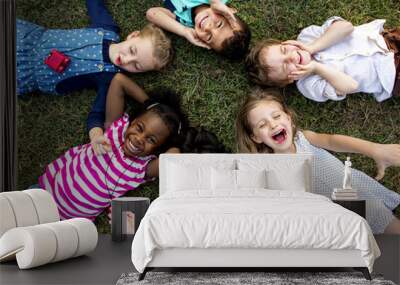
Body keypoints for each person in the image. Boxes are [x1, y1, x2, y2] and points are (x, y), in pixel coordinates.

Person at [235, 88, 400, 234]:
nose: (272, 124)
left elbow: (332, 141)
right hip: (337, 221)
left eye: (277, 116)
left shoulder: (302, 138)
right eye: (262, 125)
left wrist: (374, 149)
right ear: (255, 137)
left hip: (358, 195)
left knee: (389, 227)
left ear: (289, 118)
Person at [17, 0, 173, 133]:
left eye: (136, 66)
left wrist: (96, 133)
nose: (127, 60)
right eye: (132, 50)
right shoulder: (107, 29)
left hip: (26, 74)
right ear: (133, 36)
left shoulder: (109, 79)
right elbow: (95, 5)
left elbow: (97, 112)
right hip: (28, 38)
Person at [38, 84, 186, 221]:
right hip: (43, 193)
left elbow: (175, 156)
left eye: (151, 140)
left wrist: (176, 139)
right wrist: (149, 104)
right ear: (132, 121)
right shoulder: (115, 130)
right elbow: (119, 82)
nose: (139, 138)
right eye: (139, 127)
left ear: (157, 149)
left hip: (69, 224)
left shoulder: (143, 168)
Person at [246, 17, 400, 102]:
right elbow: (351, 86)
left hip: (386, 39)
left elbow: (346, 27)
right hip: (391, 75)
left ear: (286, 42)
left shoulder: (308, 36)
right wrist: (316, 68)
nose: (292, 56)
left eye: (284, 50)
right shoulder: (309, 85)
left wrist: (313, 47)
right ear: (288, 80)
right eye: (286, 66)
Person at [146, 0, 251, 60]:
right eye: (219, 24)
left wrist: (184, 31)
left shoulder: (184, 20)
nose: (207, 28)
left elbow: (151, 13)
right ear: (229, 12)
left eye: (209, 37)